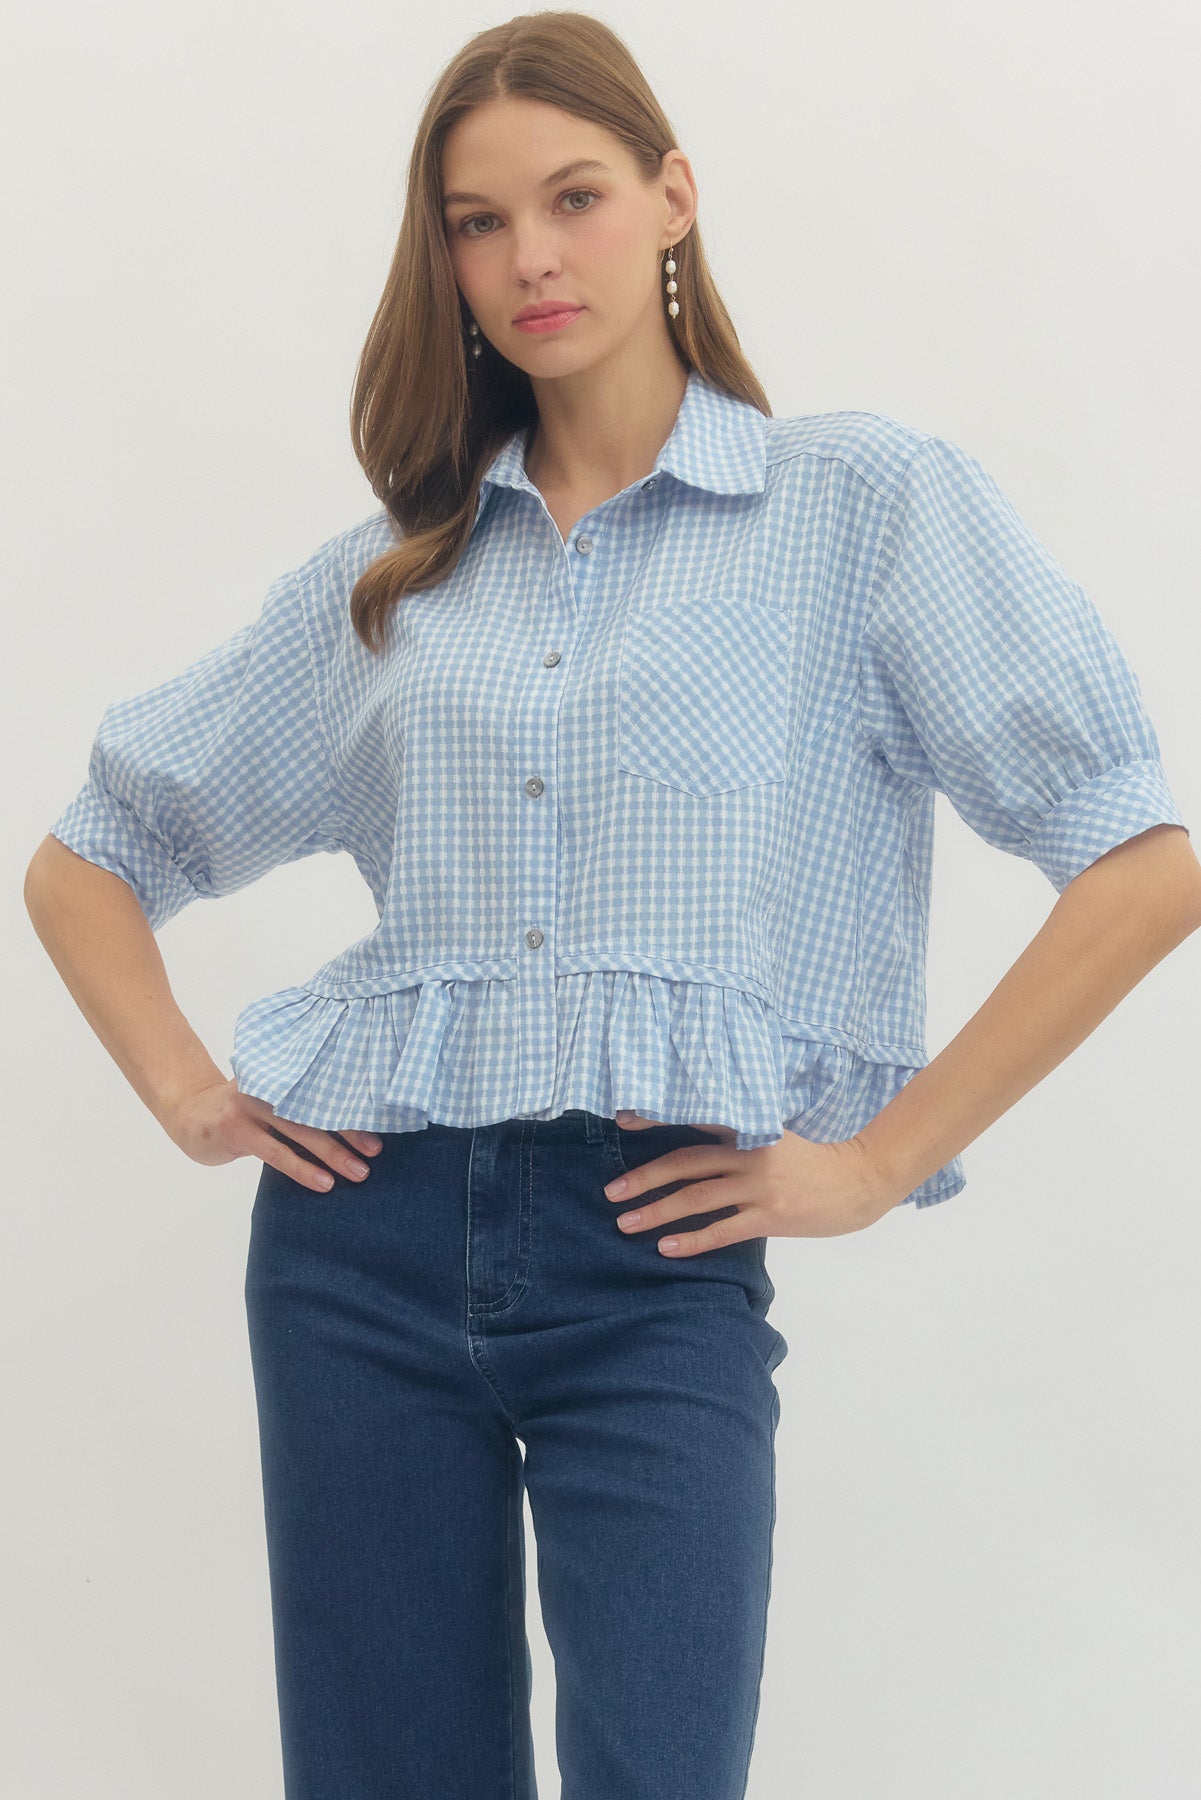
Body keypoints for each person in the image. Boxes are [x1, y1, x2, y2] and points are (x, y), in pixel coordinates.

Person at [24, 10, 1201, 1799]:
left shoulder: (857, 508)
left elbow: (1140, 855)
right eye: (477, 223)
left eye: (570, 197)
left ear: (672, 197)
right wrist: (189, 1090)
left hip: (657, 1252)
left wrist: (876, 1162)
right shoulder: (390, 576)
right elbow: (90, 853)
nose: (530, 257)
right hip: (356, 1256)